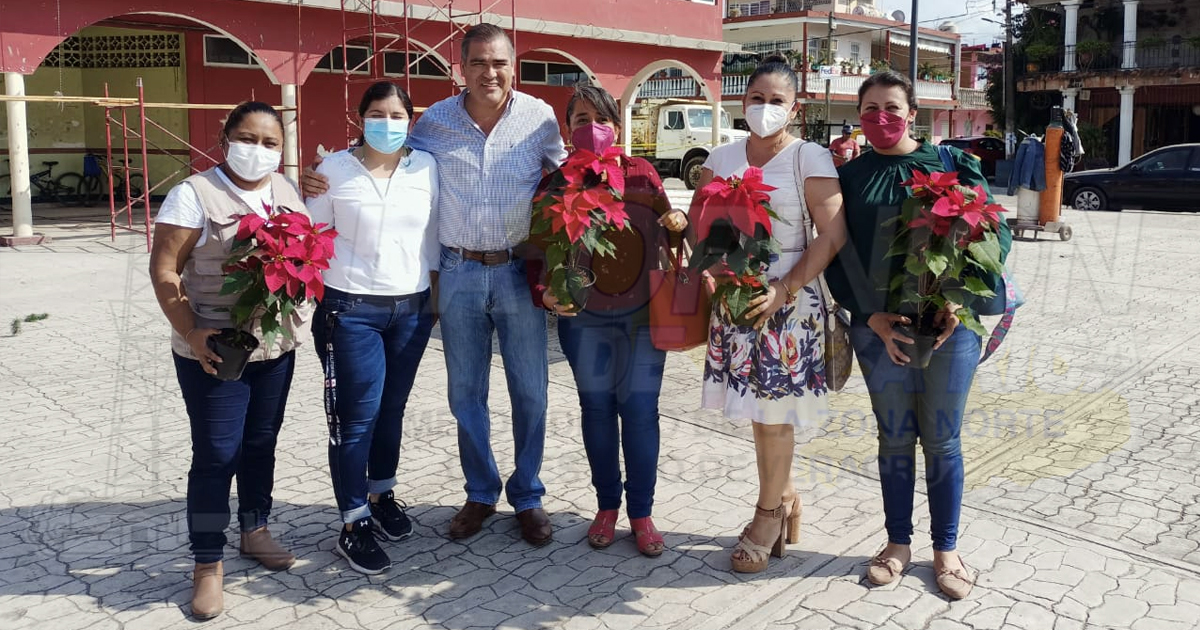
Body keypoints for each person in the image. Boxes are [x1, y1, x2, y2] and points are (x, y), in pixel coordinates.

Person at [302, 24, 565, 546]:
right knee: (466, 394)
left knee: (530, 391)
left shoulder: (540, 118)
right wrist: (325, 173)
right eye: (478, 63)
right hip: (458, 271)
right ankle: (481, 492)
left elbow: (567, 180)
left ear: (514, 66)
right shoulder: (435, 123)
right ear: (460, 69)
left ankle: (528, 494)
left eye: (500, 63)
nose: (489, 73)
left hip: (518, 270)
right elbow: (387, 155)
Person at [824, 71, 1013, 600]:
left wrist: (955, 301)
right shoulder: (851, 176)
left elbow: (992, 236)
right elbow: (839, 253)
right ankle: (897, 544)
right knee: (894, 436)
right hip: (878, 327)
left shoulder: (950, 166)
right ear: (858, 116)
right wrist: (872, 316)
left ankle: (945, 550)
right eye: (869, 110)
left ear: (912, 113)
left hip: (951, 326)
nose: (880, 118)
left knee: (943, 439)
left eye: (891, 108)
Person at [149, 102, 309, 620]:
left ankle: (255, 530)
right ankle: (207, 562)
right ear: (224, 139)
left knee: (261, 443)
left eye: (269, 142)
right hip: (214, 347)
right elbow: (165, 269)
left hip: (274, 347)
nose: (257, 150)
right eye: (247, 137)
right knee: (218, 453)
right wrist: (190, 330)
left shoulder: (286, 191)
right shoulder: (193, 195)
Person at [695, 55, 848, 573]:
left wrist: (784, 287)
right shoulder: (720, 159)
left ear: (794, 108)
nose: (765, 108)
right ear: (742, 104)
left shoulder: (808, 158)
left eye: (776, 100)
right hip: (737, 308)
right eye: (756, 99)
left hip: (787, 306)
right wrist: (713, 273)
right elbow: (704, 235)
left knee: (774, 418)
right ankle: (786, 500)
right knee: (760, 420)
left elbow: (832, 234)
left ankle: (768, 514)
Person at [525, 85, 688, 557]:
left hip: (640, 317)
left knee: (639, 412)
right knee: (597, 411)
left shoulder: (639, 173)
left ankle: (641, 512)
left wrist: (677, 219)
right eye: (578, 118)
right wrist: (547, 293)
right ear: (566, 128)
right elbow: (536, 252)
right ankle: (606, 506)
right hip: (585, 320)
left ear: (616, 126)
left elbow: (670, 227)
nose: (589, 127)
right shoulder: (557, 182)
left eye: (598, 118)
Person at [307, 81, 439, 575]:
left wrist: (436, 301)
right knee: (355, 417)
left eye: (397, 115)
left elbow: (433, 234)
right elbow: (312, 235)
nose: (388, 124)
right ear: (359, 118)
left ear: (411, 119)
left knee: (392, 410)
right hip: (351, 309)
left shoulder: (425, 167)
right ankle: (352, 521)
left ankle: (381, 493)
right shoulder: (334, 170)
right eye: (377, 114)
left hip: (411, 308)